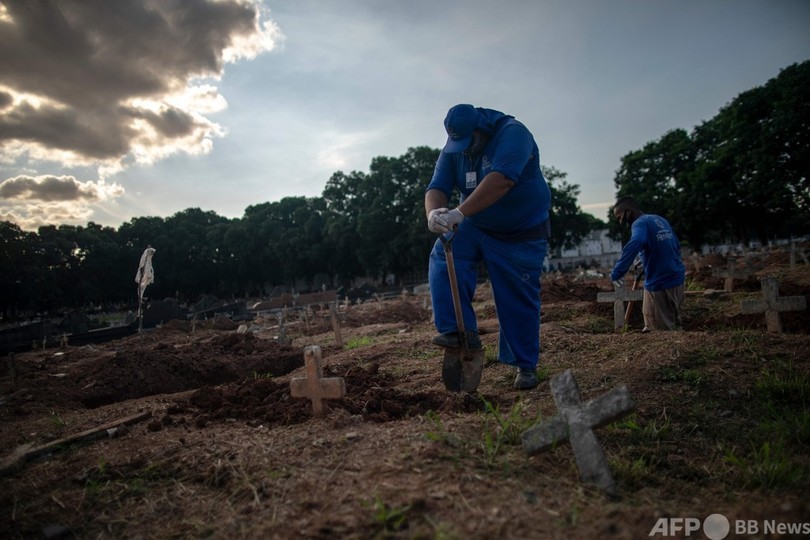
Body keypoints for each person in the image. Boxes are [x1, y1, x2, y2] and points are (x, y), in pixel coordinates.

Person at [425, 104, 552, 390]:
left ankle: (525, 365)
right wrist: (433, 213)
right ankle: (459, 333)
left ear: (480, 131)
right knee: (444, 252)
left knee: (516, 296)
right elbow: (437, 186)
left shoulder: (513, 135)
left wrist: (459, 213)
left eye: (467, 143)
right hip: (477, 225)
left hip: (521, 229)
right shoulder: (454, 150)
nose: (463, 151)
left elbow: (501, 181)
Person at [610, 196, 685, 331]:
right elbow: (674, 245)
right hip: (677, 282)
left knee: (659, 334)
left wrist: (618, 272)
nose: (621, 221)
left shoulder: (639, 224)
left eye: (620, 217)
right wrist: (646, 261)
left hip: (659, 286)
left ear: (629, 211)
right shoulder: (659, 219)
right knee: (676, 328)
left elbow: (635, 242)